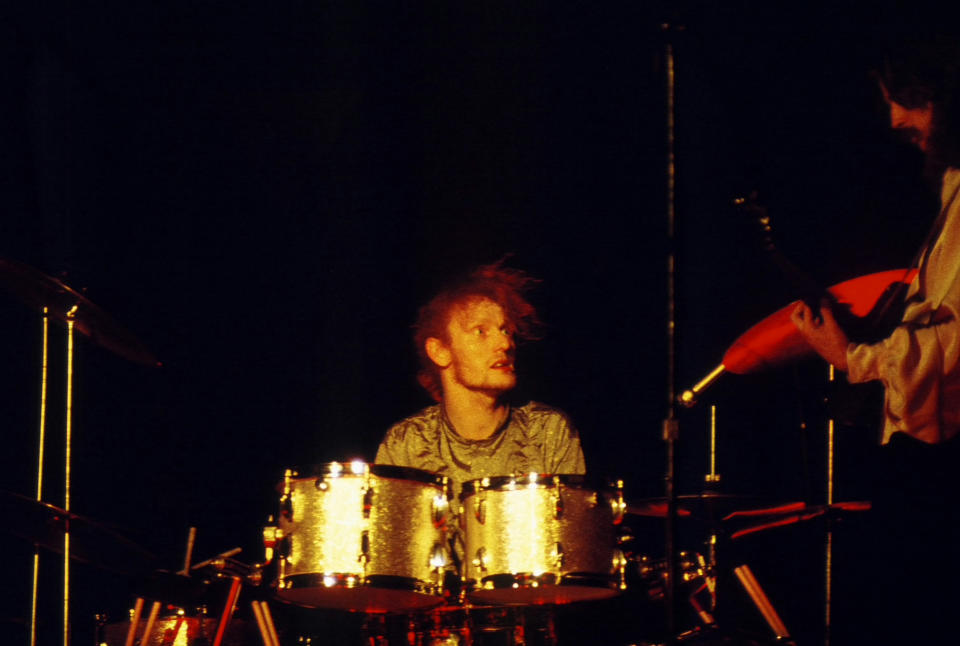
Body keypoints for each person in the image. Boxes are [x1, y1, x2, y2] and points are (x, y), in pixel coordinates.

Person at [791, 37, 960, 645]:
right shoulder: (952, 191)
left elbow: (956, 337)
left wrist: (855, 357)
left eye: (910, 99)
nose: (895, 119)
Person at [375, 260, 586, 501]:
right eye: (481, 331)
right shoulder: (407, 442)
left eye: (505, 330)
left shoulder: (547, 431)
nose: (505, 344)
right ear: (440, 351)